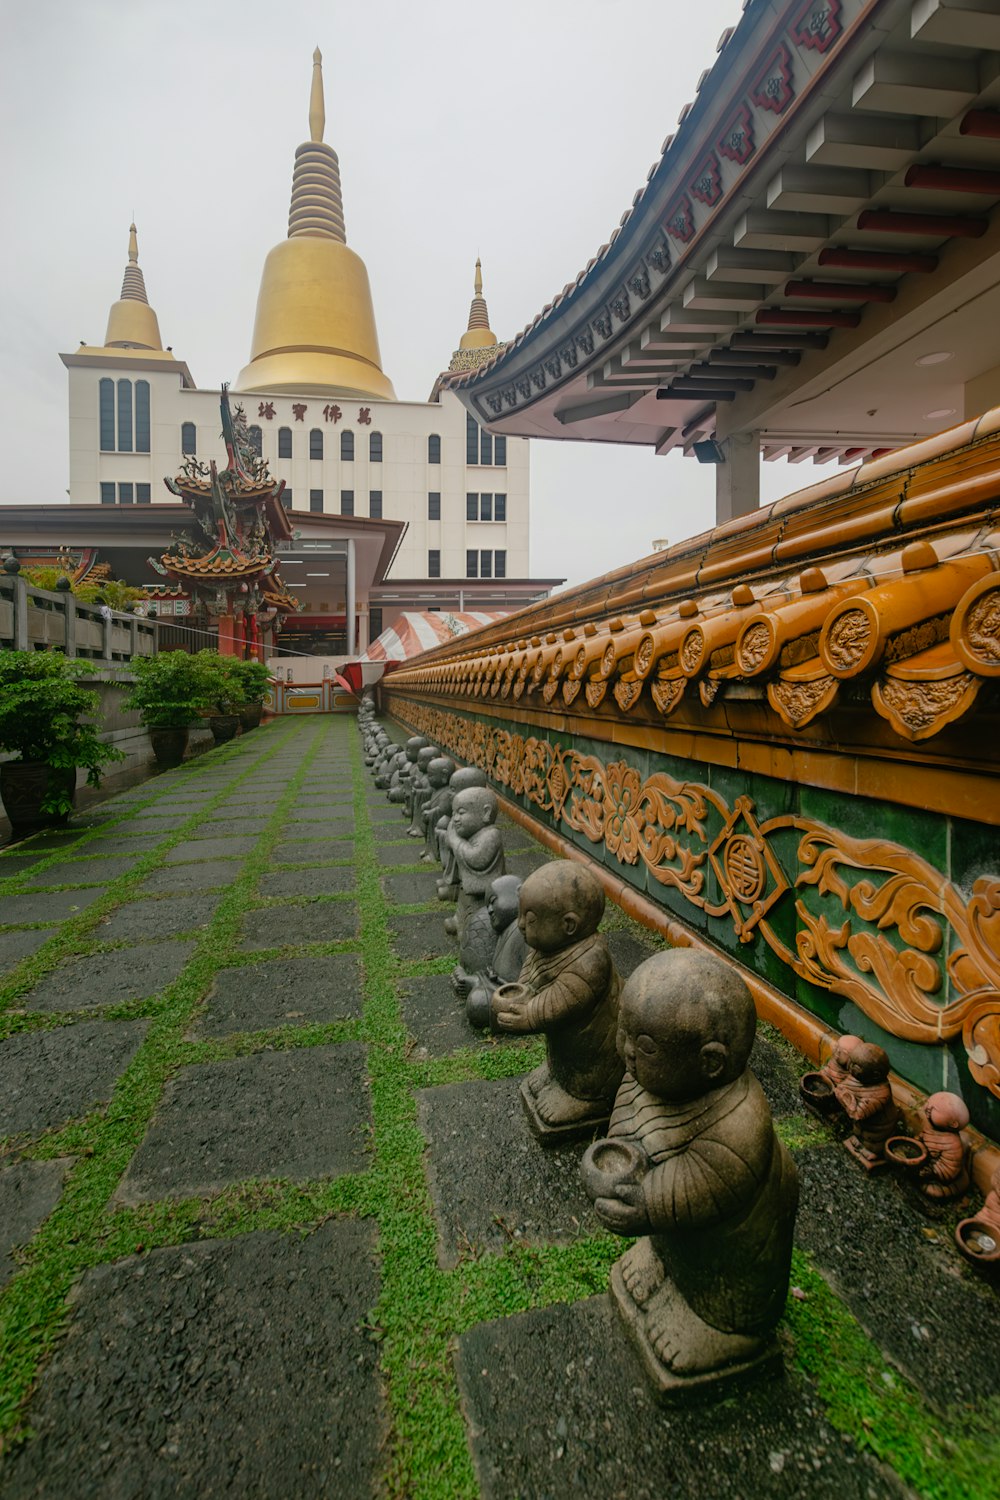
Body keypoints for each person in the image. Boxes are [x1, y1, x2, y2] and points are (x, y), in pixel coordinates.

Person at [584, 949, 798, 1397]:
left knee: (724, 1285)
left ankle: (724, 1331)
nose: (626, 1052)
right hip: (673, 1231)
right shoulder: (648, 1078)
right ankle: (663, 1265)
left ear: (711, 1063)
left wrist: (646, 1204)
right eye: (625, 1033)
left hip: (732, 1254)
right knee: (667, 1243)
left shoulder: (741, 1123)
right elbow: (627, 1124)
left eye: (643, 1046)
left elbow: (701, 1185)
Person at [494, 862, 622, 1140]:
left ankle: (590, 1099)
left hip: (596, 1054)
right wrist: (521, 991)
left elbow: (561, 1001)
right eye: (520, 914)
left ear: (569, 925)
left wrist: (529, 1015)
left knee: (587, 1066)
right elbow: (532, 975)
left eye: (530, 918)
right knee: (561, 1054)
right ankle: (558, 1076)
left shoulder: (591, 961)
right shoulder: (549, 947)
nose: (519, 924)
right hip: (566, 1046)